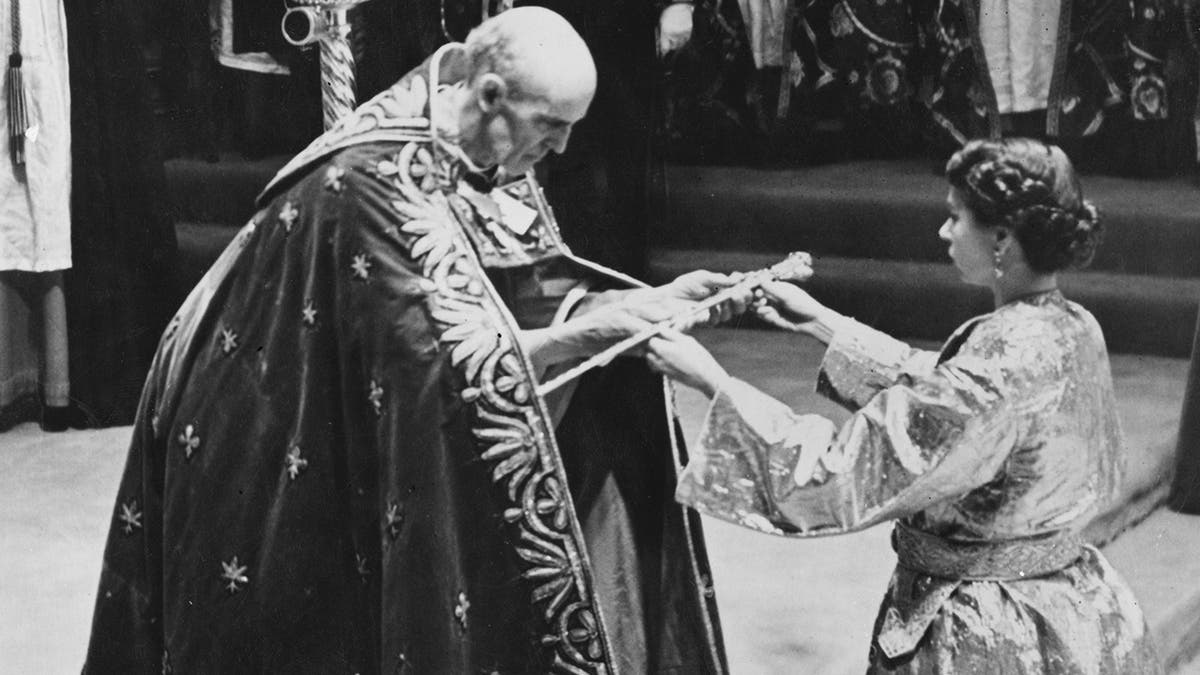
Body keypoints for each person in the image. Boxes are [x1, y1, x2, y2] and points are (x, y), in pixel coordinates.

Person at [83, 8, 737, 673]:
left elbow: (517, 292)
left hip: (359, 411)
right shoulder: (372, 181)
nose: (562, 149)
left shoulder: (488, 147)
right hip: (270, 420)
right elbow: (442, 366)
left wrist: (635, 305)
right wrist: (596, 330)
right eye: (552, 127)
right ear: (488, 96)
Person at [645, 138, 1163, 673]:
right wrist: (822, 324)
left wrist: (714, 383)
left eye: (955, 217)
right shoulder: (1072, 325)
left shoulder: (994, 366)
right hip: (1072, 609)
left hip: (991, 629)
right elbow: (947, 398)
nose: (944, 231)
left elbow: (842, 471)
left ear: (1003, 238)